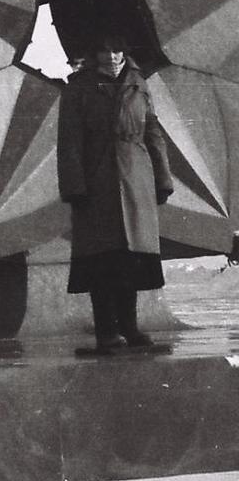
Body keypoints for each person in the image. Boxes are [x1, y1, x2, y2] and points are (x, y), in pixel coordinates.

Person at [58, 33, 174, 352]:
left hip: (136, 179)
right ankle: (106, 332)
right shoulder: (78, 87)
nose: (110, 56)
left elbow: (153, 132)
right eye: (104, 51)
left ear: (125, 51)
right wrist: (75, 187)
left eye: (116, 50)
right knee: (102, 261)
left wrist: (162, 180)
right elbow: (69, 142)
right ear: (94, 54)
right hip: (98, 183)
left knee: (131, 261)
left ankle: (130, 328)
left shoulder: (138, 83)